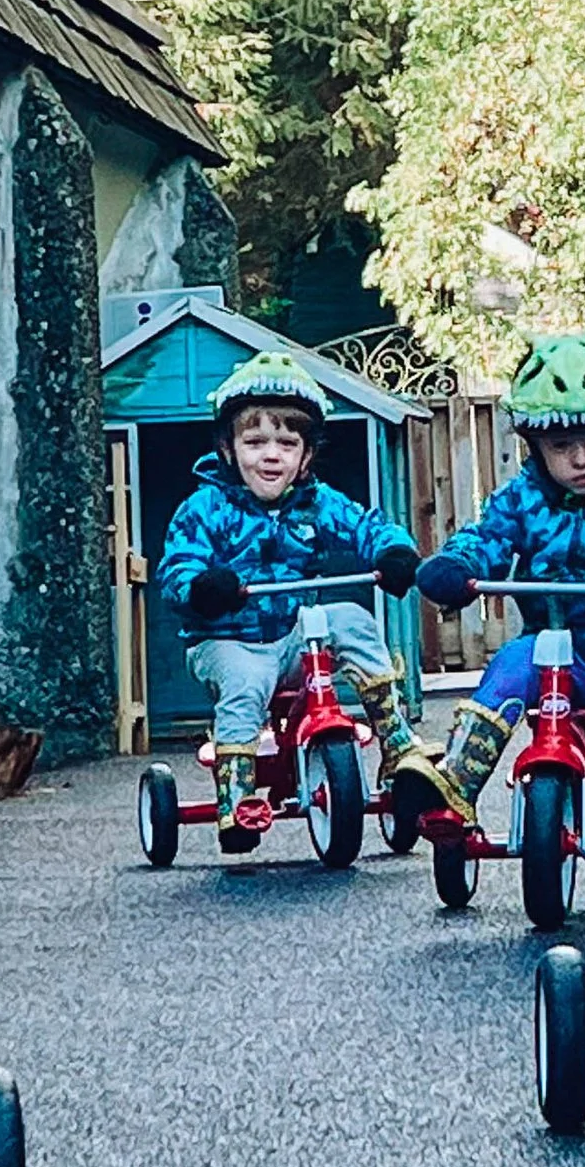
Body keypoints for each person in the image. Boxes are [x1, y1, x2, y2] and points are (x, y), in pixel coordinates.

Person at [156, 350, 451, 851]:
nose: (270, 455)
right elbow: (177, 568)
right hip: (227, 641)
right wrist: (204, 587)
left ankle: (397, 739)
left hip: (294, 636)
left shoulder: (316, 502)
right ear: (229, 449)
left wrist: (395, 551)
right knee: (246, 683)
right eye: (254, 442)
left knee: (350, 618)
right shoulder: (205, 506)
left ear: (305, 457)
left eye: (286, 444)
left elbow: (367, 526)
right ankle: (237, 797)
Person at [414, 328, 585, 819]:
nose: (581, 459)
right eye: (561, 446)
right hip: (554, 647)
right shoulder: (522, 498)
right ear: (535, 445)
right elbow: (488, 536)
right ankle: (455, 784)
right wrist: (460, 565)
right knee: (513, 660)